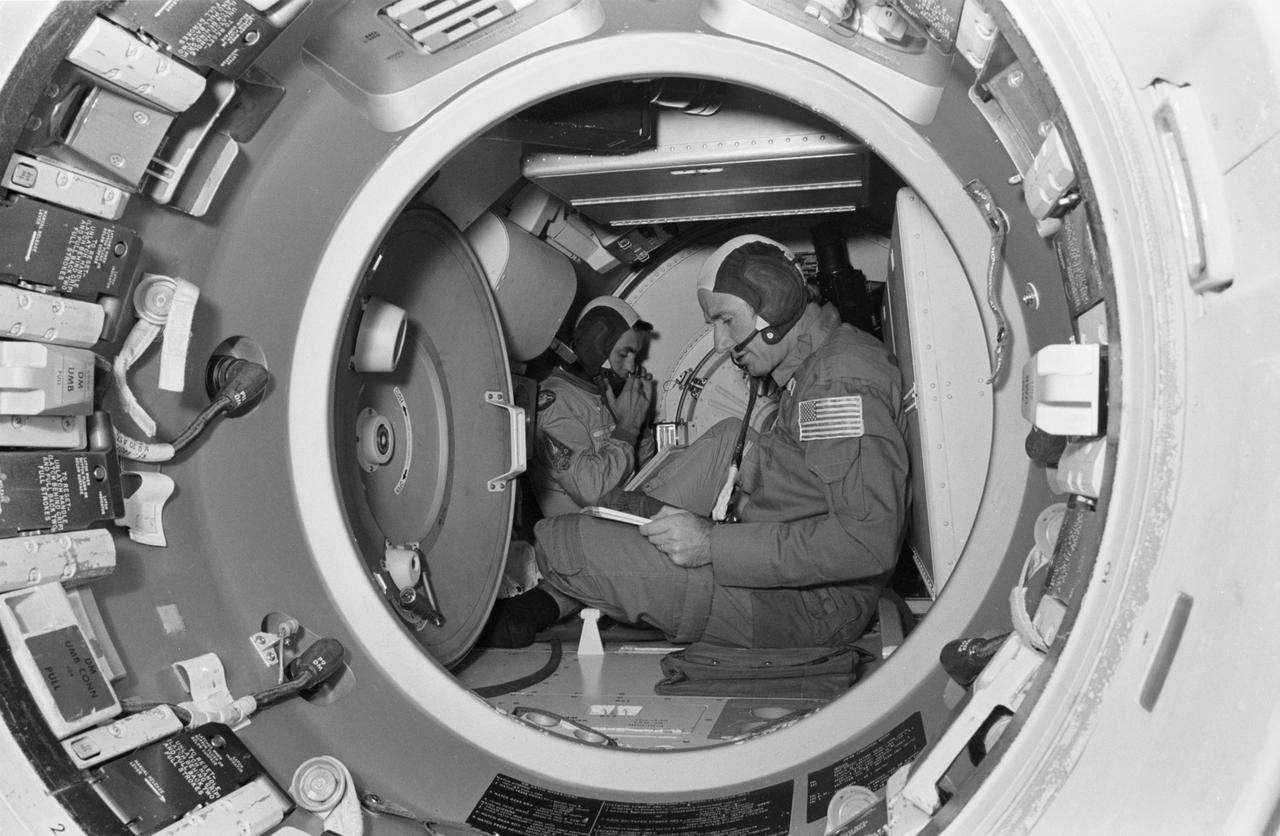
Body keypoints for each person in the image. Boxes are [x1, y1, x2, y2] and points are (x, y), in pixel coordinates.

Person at [480, 235, 909, 649]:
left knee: (562, 542)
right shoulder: (819, 365)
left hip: (810, 606)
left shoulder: (837, 382)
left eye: (726, 320)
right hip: (790, 573)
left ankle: (548, 600)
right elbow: (804, 483)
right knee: (648, 496)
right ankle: (569, 589)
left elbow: (863, 543)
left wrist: (712, 543)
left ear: (774, 303)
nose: (722, 344)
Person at [529, 296, 656, 519]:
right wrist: (627, 429)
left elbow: (647, 474)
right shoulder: (554, 404)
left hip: (626, 518)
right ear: (595, 348)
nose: (631, 368)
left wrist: (640, 422)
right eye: (624, 354)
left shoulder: (604, 393)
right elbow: (591, 492)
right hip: (587, 534)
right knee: (725, 436)